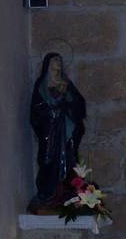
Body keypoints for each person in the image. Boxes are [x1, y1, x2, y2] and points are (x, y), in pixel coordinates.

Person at [28, 53, 87, 213]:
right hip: (51, 132)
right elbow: (37, 109)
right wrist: (53, 109)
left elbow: (79, 104)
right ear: (48, 64)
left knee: (69, 161)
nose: (58, 62)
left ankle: (67, 196)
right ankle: (46, 196)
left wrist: (67, 102)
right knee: (48, 162)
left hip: (66, 133)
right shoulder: (42, 85)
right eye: (55, 60)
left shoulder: (67, 84)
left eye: (60, 60)